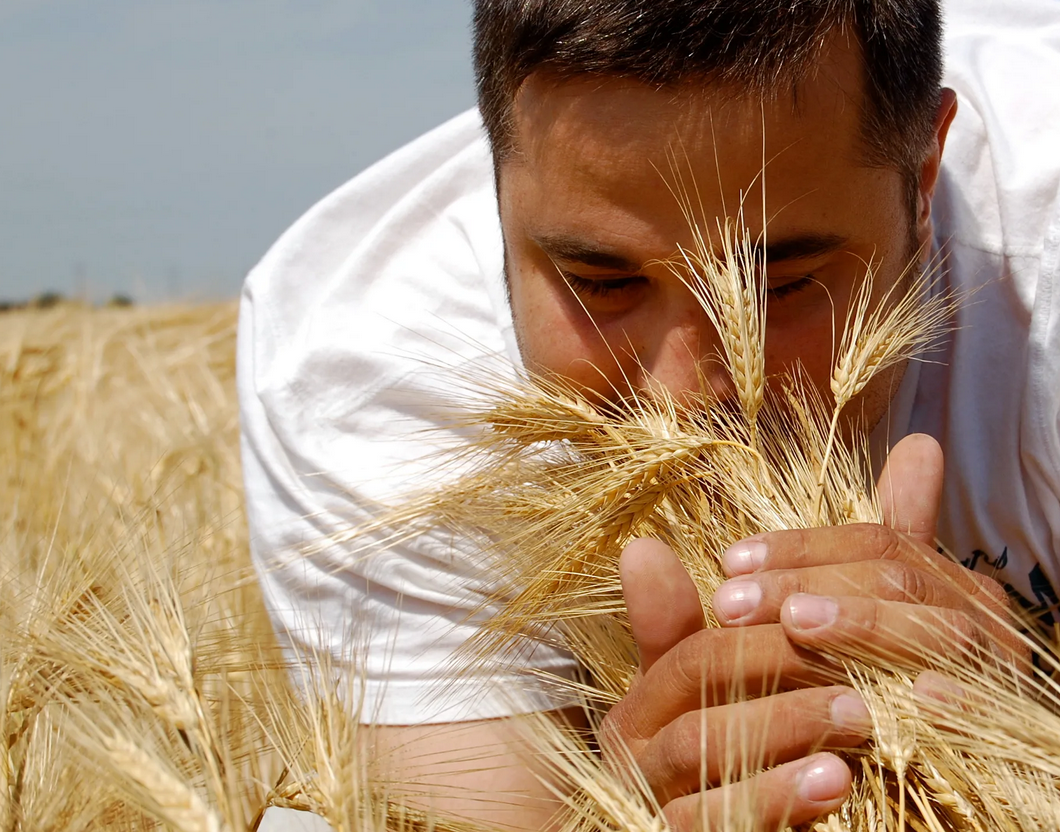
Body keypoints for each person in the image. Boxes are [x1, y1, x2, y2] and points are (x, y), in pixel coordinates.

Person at [238, 0, 1060, 828]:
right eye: (601, 285)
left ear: (922, 179)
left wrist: (1026, 718)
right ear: (492, 193)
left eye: (780, 286)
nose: (686, 395)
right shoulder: (367, 366)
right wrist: (621, 811)